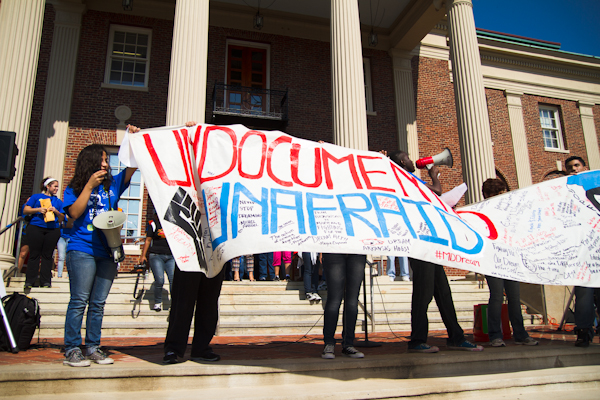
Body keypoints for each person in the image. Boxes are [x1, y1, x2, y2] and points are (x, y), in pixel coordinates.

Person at [388, 150, 483, 352]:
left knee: (443, 293)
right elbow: (437, 192)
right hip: (420, 245)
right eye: (408, 158)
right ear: (403, 162)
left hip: (431, 243)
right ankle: (417, 340)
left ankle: (456, 337)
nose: (413, 161)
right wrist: (434, 177)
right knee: (423, 294)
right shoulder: (405, 180)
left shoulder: (410, 179)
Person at [62, 140, 137, 367]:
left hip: (107, 250)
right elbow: (74, 213)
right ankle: (73, 348)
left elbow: (132, 165)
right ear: (90, 162)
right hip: (82, 248)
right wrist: (88, 187)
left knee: (98, 303)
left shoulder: (112, 185)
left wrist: (132, 138)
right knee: (79, 300)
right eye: (102, 160)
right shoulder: (73, 188)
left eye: (107, 160)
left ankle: (93, 346)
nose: (106, 163)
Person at [162, 121, 225, 364]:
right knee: (182, 300)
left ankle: (201, 347)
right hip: (189, 244)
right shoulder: (186, 171)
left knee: (209, 301)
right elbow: (171, 159)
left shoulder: (223, 173)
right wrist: (190, 134)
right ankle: (174, 347)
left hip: (216, 246)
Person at [481, 178, 538, 347]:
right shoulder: (483, 211)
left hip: (510, 259)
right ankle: (495, 335)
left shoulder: (510, 211)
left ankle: (520, 334)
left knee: (514, 297)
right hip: (493, 260)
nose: (503, 196)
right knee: (497, 297)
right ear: (488, 195)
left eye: (503, 193)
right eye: (498, 194)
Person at [565, 155, 597, 347]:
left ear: (585, 167)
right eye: (570, 167)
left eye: (577, 165)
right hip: (582, 251)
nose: (574, 169)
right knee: (584, 293)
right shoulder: (566, 192)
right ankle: (584, 331)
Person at [321, 253, 366, 359]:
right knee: (334, 300)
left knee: (352, 301)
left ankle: (348, 343)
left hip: (357, 252)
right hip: (334, 250)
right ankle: (329, 343)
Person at [23, 177, 65, 289]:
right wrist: (38, 210)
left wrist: (56, 211)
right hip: (36, 227)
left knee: (47, 255)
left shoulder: (58, 201)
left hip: (52, 229)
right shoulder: (36, 197)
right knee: (34, 254)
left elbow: (62, 218)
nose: (56, 188)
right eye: (54, 186)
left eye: (57, 186)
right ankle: (30, 281)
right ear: (48, 186)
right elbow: (26, 210)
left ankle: (46, 281)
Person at [139, 214, 175, 312]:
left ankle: (175, 303)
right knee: (159, 280)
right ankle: (158, 302)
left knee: (173, 280)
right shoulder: (153, 224)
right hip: (156, 255)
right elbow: (148, 240)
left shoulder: (172, 223)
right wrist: (143, 256)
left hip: (171, 256)